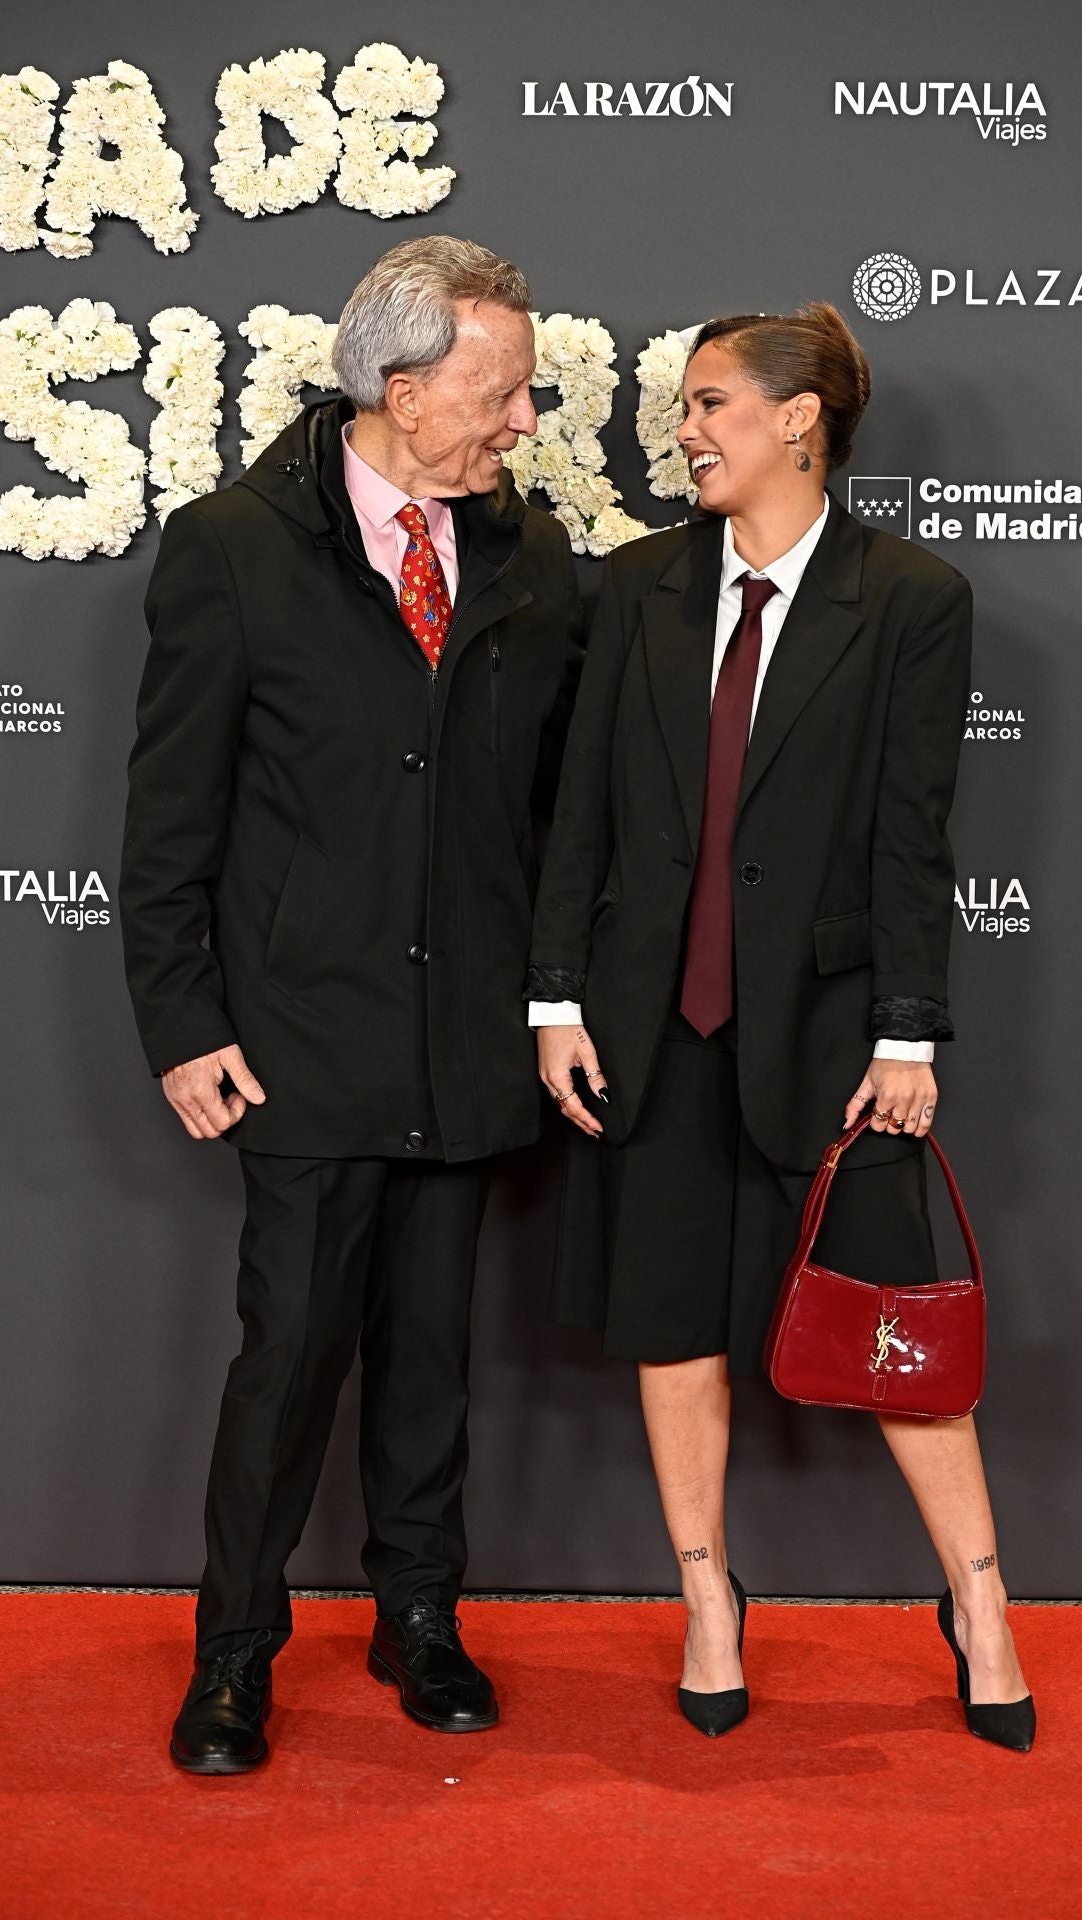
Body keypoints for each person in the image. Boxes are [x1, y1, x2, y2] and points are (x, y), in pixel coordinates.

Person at [526, 305, 1035, 1751]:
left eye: (704, 404)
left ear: (797, 419)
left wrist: (908, 1036)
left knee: (890, 1341)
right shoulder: (634, 588)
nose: (680, 430)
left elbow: (910, 837)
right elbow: (584, 820)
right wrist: (556, 999)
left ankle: (981, 1607)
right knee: (673, 1332)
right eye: (679, 408)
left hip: (824, 1037)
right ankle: (705, 1603)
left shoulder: (910, 598)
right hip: (646, 1028)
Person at [119, 236, 582, 1772]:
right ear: (400, 387)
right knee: (291, 1353)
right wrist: (185, 1021)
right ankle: (234, 1656)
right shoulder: (235, 546)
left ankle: (418, 1620)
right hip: (299, 1042)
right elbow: (169, 819)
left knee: (431, 1358)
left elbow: (558, 804)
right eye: (498, 392)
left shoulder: (524, 553)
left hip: (462, 1046)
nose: (521, 421)